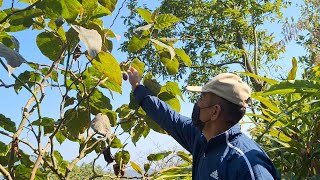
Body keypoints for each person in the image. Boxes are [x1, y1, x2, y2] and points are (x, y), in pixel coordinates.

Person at [127, 67, 280, 180]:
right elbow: (167, 117)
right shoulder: (201, 139)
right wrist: (137, 87)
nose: (197, 105)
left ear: (215, 112)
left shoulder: (246, 163)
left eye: (201, 99)